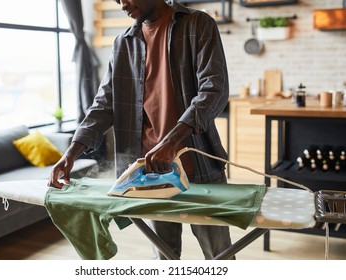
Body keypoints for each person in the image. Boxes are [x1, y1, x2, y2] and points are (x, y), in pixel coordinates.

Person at [48, 0, 233, 260]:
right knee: (163, 257)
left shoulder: (198, 25)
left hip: (198, 166)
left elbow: (215, 90)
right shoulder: (123, 43)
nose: (123, 5)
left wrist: (171, 142)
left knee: (220, 256)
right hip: (149, 174)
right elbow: (103, 105)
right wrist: (71, 152)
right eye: (116, 0)